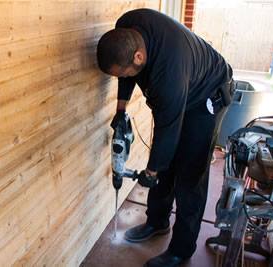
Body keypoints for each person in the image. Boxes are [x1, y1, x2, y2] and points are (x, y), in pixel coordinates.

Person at [96, 8, 234, 267]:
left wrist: (151, 171)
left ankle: (182, 249)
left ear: (139, 56)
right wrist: (121, 109)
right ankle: (157, 222)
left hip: (207, 94)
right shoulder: (125, 28)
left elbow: (168, 129)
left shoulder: (167, 74)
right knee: (164, 159)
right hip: (182, 82)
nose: (124, 78)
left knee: (189, 172)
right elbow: (126, 73)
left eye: (125, 73)